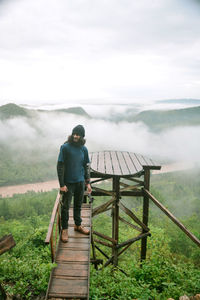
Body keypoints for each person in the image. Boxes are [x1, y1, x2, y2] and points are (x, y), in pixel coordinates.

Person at [57, 125, 92, 243]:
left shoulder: (84, 149)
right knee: (66, 207)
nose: (76, 136)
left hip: (80, 182)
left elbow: (86, 166)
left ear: (82, 136)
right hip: (68, 183)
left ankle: (78, 225)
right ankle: (65, 229)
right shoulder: (65, 147)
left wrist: (88, 183)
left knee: (78, 205)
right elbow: (60, 166)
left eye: (78, 134)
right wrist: (62, 184)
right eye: (74, 134)